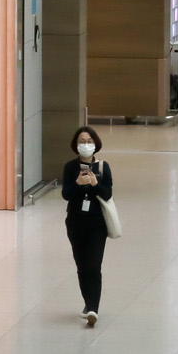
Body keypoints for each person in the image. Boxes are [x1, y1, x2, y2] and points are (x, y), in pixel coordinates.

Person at [61, 127, 113, 326]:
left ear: (96, 143)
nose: (85, 144)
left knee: (94, 265)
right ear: (76, 144)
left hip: (97, 224)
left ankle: (93, 307)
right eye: (82, 141)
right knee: (82, 266)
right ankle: (87, 302)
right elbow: (66, 194)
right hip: (75, 223)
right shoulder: (70, 167)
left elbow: (107, 194)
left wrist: (94, 184)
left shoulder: (102, 167)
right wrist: (77, 183)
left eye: (89, 140)